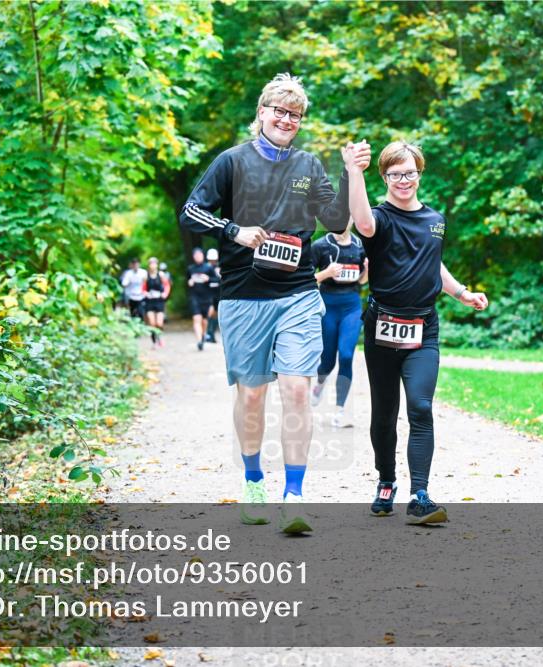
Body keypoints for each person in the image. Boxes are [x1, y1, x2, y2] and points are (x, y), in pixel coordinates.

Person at [179, 73, 370, 533]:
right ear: (262, 113)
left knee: (298, 390)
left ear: (300, 122)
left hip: (298, 293)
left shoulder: (307, 165)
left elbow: (338, 222)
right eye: (278, 111)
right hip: (244, 296)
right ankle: (253, 481)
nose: (286, 119)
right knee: (252, 395)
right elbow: (189, 213)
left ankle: (295, 495)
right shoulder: (231, 162)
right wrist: (233, 231)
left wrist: (352, 173)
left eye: (294, 114)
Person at [345, 139, 488, 525]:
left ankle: (420, 494)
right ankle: (386, 481)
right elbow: (361, 223)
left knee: (421, 407)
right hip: (382, 327)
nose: (402, 180)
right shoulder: (380, 218)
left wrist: (462, 293)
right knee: (385, 413)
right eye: (394, 174)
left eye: (409, 172)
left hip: (424, 328)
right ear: (385, 177)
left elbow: (433, 266)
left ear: (419, 173)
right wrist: (354, 171)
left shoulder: (435, 220)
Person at [311, 220, 368, 428]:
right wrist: (326, 273)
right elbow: (306, 279)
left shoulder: (360, 246)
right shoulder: (320, 246)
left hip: (351, 305)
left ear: (353, 219)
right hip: (328, 305)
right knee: (327, 361)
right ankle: (319, 383)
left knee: (346, 355)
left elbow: (361, 281)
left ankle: (341, 410)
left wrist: (367, 271)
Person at [186, 248, 218, 351]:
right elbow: (187, 281)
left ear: (203, 256)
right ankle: (199, 341)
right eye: (196, 255)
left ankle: (203, 335)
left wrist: (208, 279)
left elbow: (217, 279)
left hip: (206, 298)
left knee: (204, 321)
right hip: (195, 297)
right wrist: (190, 282)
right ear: (193, 257)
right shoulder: (190, 269)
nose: (198, 257)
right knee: (196, 319)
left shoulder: (208, 268)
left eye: (199, 255)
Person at [143, 257, 171, 347]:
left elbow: (167, 285)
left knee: (159, 323)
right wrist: (146, 294)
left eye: (154, 263)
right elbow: (143, 288)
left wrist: (165, 294)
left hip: (159, 301)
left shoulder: (161, 275)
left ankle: (160, 337)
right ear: (149, 265)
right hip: (150, 301)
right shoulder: (146, 276)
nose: (153, 265)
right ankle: (154, 341)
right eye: (151, 264)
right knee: (152, 323)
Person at [205, 248, 221, 343]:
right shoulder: (205, 268)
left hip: (217, 293)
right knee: (209, 313)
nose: (212, 262)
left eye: (214, 260)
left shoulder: (219, 268)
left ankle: (211, 334)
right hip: (207, 294)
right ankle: (207, 333)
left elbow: (220, 279)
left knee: (215, 314)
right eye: (211, 260)